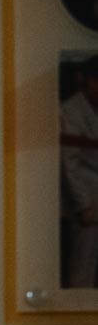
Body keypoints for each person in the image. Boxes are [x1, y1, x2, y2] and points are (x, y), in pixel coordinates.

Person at [60, 54, 98, 288]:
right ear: (85, 80)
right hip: (85, 202)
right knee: (84, 266)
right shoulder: (69, 112)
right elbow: (70, 163)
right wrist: (84, 206)